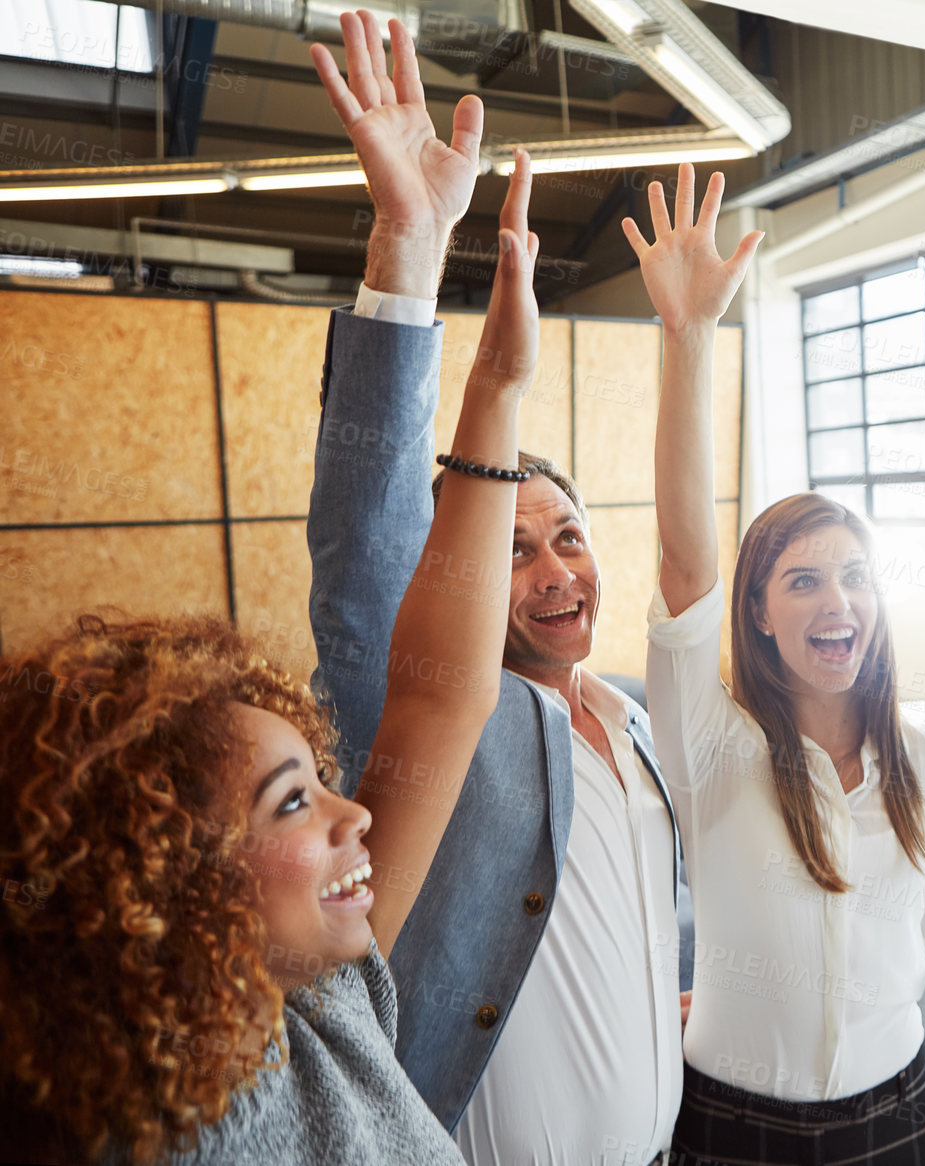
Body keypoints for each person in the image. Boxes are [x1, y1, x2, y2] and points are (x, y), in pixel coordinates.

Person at [0, 139, 541, 1166]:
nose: (357, 811)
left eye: (317, 782)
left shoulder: (311, 993)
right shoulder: (168, 1130)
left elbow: (438, 699)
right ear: (159, 884)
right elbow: (373, 584)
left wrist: (485, 367)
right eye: (293, 800)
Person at [306, 14, 689, 1164]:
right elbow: (366, 558)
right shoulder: (444, 720)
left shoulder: (621, 711)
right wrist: (407, 260)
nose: (555, 570)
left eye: (565, 535)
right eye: (512, 550)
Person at [625, 164, 925, 1165]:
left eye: (855, 576)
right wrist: (689, 340)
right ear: (760, 615)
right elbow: (686, 560)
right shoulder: (712, 746)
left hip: (900, 1105)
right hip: (740, 1123)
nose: (838, 601)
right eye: (804, 581)